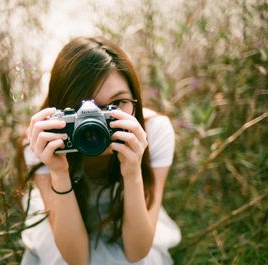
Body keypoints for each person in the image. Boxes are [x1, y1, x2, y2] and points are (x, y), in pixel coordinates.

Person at [19, 36, 181, 265]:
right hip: (64, 211)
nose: (95, 124)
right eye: (83, 109)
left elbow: (137, 252)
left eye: (115, 105)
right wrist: (58, 172)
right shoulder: (44, 140)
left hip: (127, 210)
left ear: (135, 98)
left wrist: (133, 171)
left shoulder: (154, 132)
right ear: (62, 109)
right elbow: (76, 259)